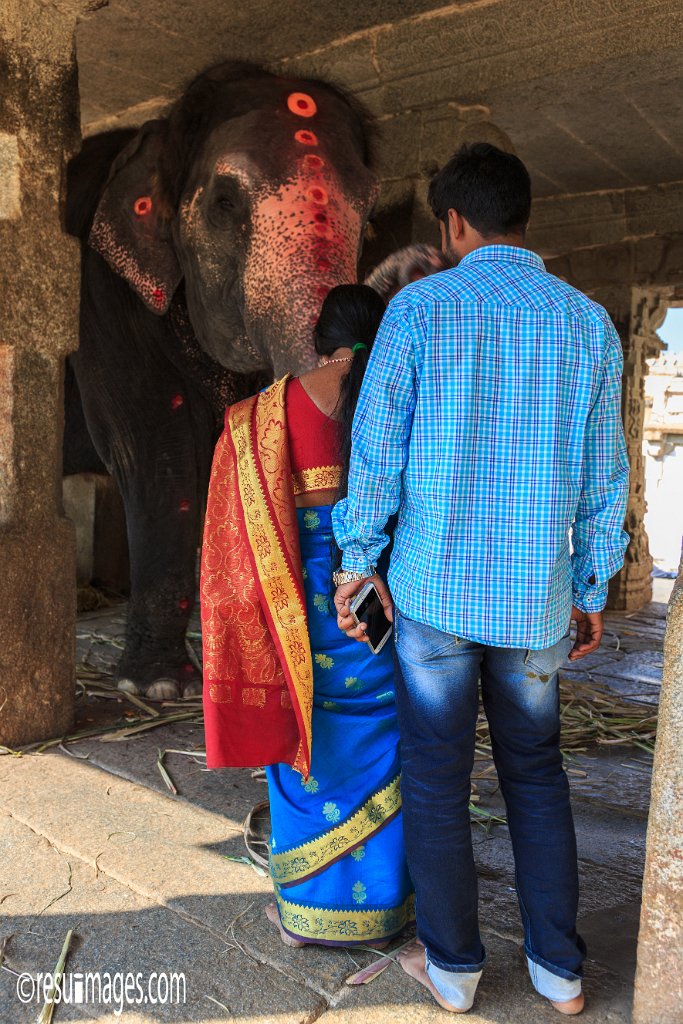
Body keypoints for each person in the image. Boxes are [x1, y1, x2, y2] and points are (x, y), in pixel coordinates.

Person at [332, 143, 629, 1014]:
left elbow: (375, 460)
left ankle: (454, 971)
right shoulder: (586, 324)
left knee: (435, 779)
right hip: (535, 600)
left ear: (452, 224)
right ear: (521, 220)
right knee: (535, 776)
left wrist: (358, 567)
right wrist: (589, 588)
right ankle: (559, 973)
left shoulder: (419, 312)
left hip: (432, 600)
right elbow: (602, 478)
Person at [201, 284, 413, 949]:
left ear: (318, 340)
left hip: (297, 633)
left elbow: (228, 550)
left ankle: (302, 921)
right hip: (379, 619)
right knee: (386, 747)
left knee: (305, 750)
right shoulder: (405, 404)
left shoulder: (257, 419)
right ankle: (382, 915)